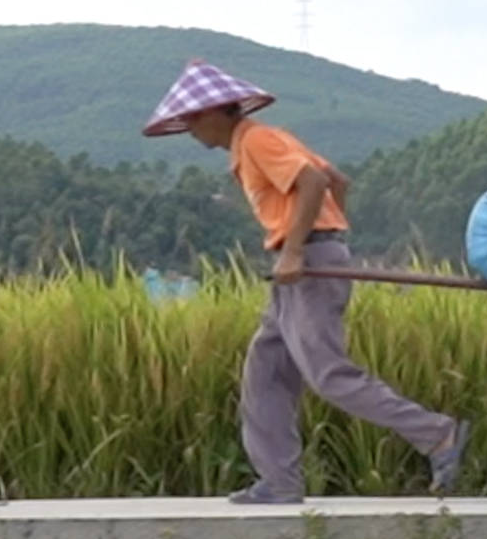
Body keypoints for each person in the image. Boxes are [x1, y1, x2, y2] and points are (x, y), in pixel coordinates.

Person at [145, 60, 467, 504]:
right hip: (299, 264)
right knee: (265, 372)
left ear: (219, 112)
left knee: (328, 373)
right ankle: (279, 481)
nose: (192, 129)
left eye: (195, 118)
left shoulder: (257, 140)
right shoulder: (260, 143)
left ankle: (437, 434)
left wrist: (302, 246)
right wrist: (328, 232)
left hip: (306, 265)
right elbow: (338, 181)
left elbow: (314, 180)